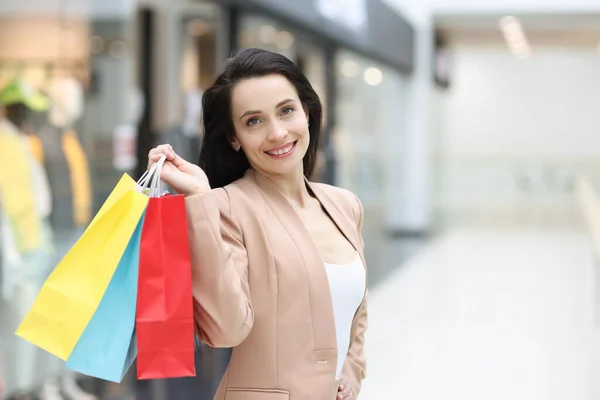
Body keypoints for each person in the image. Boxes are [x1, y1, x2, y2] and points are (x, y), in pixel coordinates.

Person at [148, 48, 367, 400]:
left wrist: (353, 369)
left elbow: (357, 308)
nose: (277, 133)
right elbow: (226, 329)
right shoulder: (226, 207)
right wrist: (200, 201)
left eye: (286, 111)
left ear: (307, 112)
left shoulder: (344, 205)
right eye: (253, 121)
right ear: (234, 137)